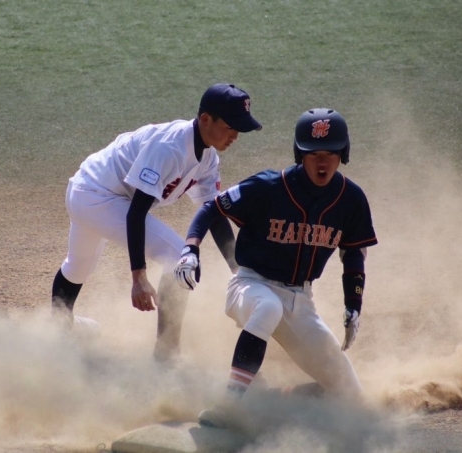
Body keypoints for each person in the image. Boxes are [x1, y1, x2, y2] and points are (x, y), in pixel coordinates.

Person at [174, 108, 378, 427]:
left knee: (349, 396)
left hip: (301, 302)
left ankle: (273, 400)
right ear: (300, 154)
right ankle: (229, 404)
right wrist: (191, 248)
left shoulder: (351, 199)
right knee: (269, 307)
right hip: (250, 285)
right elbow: (211, 208)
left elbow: (353, 253)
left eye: (330, 153)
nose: (322, 162)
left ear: (343, 154)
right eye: (313, 154)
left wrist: (354, 305)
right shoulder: (269, 186)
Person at [51, 83, 262, 362]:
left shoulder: (208, 158)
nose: (235, 135)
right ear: (205, 119)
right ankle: (166, 355)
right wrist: (138, 277)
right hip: (95, 194)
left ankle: (61, 331)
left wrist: (238, 270)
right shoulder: (169, 147)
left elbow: (213, 212)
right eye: (230, 127)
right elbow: (136, 213)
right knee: (179, 257)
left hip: (86, 191)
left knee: (78, 266)